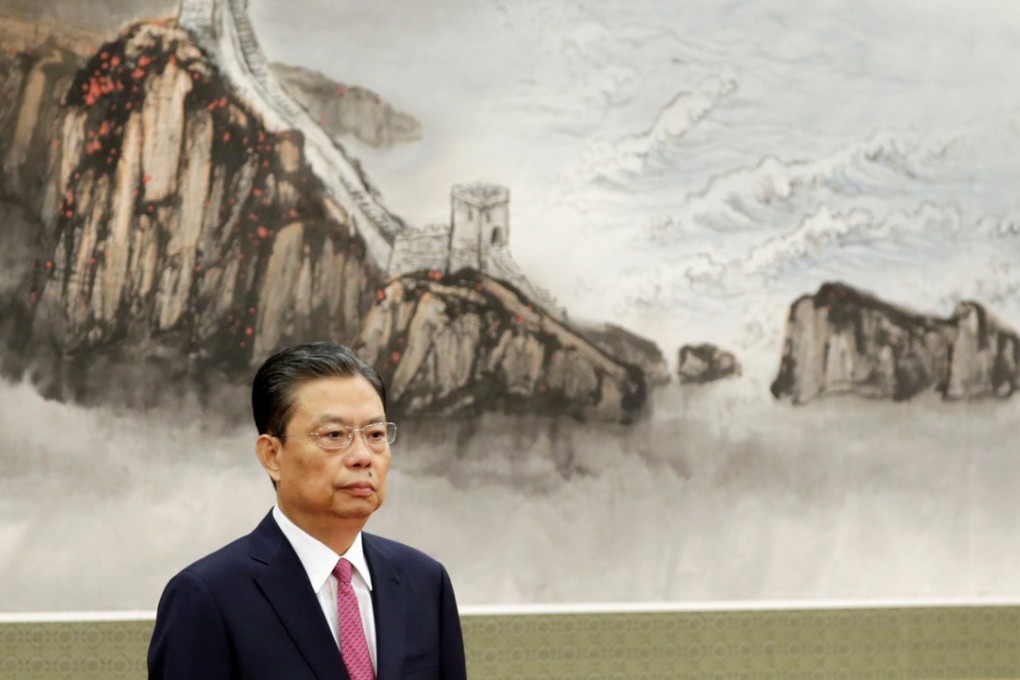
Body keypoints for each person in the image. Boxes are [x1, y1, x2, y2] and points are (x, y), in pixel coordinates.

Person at [148, 342, 467, 680]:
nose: (362, 456)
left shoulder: (424, 581)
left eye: (375, 434)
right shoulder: (207, 596)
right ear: (272, 455)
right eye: (334, 435)